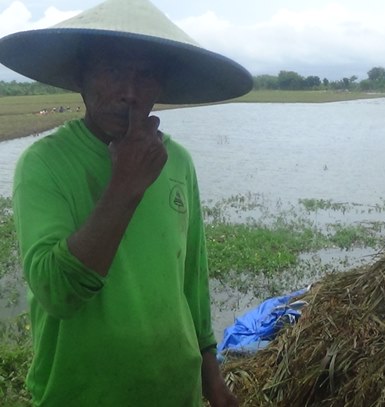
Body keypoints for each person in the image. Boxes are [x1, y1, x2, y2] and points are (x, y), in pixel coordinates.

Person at [0, 0, 252, 405]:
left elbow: (191, 281)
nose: (129, 93)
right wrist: (125, 186)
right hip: (80, 395)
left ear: (161, 85)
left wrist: (213, 381)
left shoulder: (178, 162)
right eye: (112, 70)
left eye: (145, 75)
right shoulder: (43, 163)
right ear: (81, 76)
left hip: (175, 391)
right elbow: (56, 292)